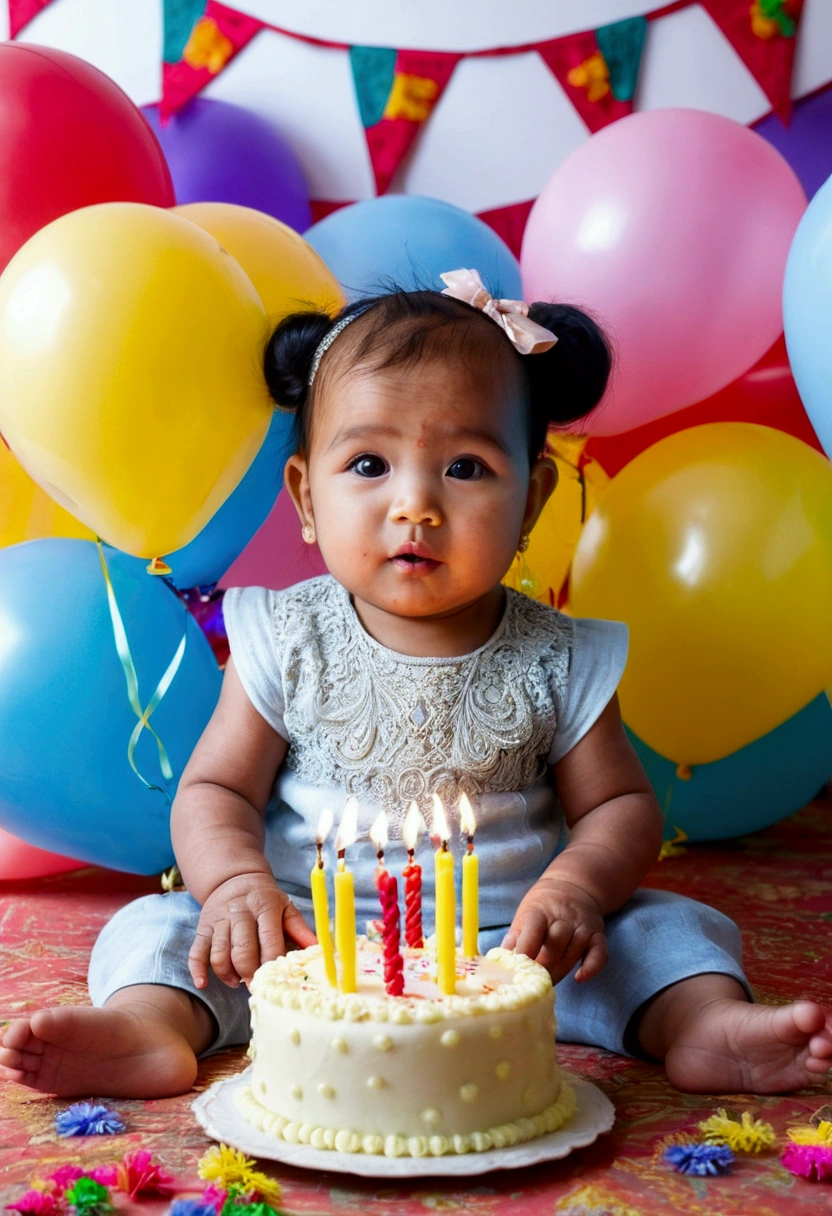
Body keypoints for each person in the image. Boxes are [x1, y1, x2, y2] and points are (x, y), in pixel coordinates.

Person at [2, 269, 830, 1100]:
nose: (416, 505)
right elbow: (215, 788)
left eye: (466, 468)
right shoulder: (286, 637)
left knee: (662, 930)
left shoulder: (559, 655)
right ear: (305, 497)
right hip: (302, 936)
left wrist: (576, 890)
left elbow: (620, 806)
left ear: (532, 499)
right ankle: (150, 1027)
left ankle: (703, 1025)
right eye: (368, 462)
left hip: (515, 948)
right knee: (161, 927)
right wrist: (236, 886)